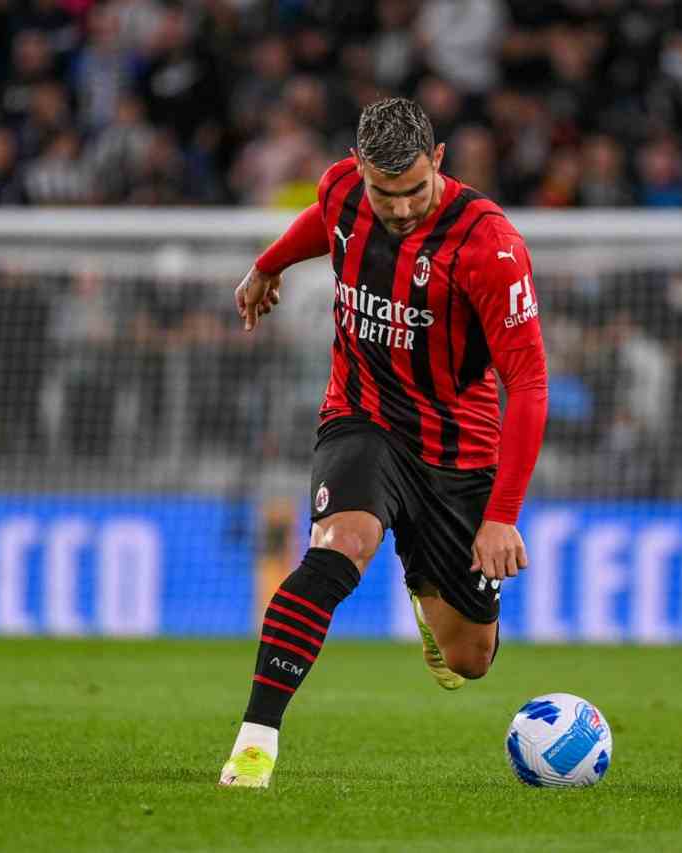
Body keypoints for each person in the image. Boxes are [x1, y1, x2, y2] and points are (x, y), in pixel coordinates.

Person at [220, 98, 548, 788]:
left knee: (470, 659)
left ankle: (426, 585)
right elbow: (326, 222)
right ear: (358, 168)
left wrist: (501, 516)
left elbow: (529, 383)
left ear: (439, 160)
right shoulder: (341, 189)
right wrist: (269, 264)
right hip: (362, 415)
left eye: (413, 191)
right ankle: (255, 743)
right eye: (382, 192)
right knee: (339, 547)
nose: (398, 209)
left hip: (457, 449)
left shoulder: (490, 247)